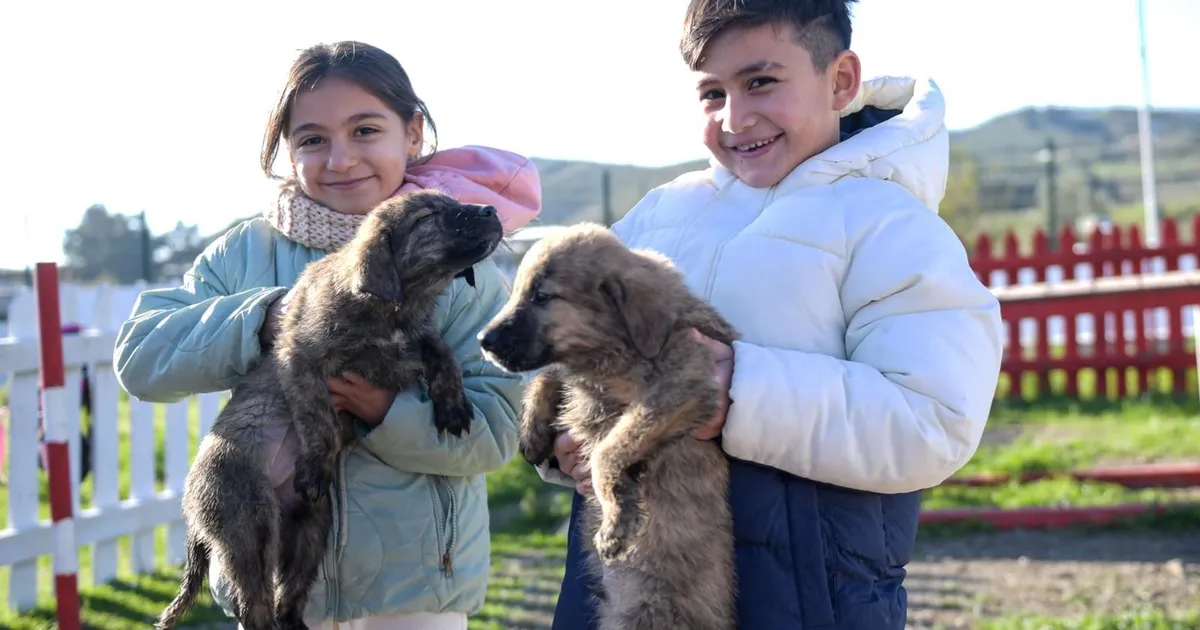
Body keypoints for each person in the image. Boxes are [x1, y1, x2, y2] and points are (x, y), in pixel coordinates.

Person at [539, 1, 1004, 628]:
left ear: (840, 80)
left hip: (808, 596)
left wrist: (741, 392)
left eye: (760, 81)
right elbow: (572, 342)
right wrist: (567, 437)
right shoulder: (659, 216)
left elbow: (934, 419)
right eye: (712, 93)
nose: (735, 118)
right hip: (628, 586)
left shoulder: (891, 226)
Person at [113, 40, 541, 630]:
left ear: (413, 134)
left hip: (413, 593)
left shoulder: (460, 269)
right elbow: (140, 357)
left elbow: (496, 432)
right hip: (272, 584)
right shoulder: (246, 253)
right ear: (287, 150)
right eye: (312, 139)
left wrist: (383, 411)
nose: (340, 160)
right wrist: (262, 318)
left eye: (365, 130)